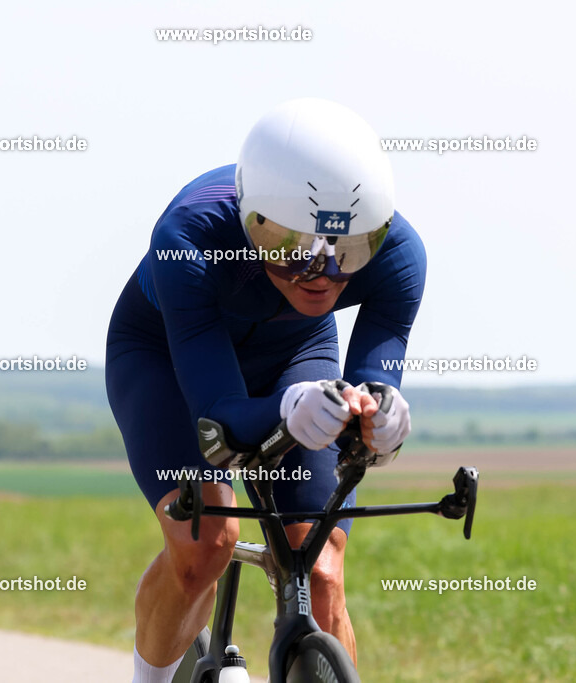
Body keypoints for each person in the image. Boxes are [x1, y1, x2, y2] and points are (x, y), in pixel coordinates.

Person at [105, 98, 426, 683]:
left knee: (321, 564)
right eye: (294, 249)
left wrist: (381, 415)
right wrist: (285, 407)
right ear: (253, 220)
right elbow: (217, 420)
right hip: (168, 357)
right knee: (206, 541)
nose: (323, 275)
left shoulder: (401, 254)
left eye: (349, 250)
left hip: (295, 352)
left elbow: (375, 382)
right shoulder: (190, 234)